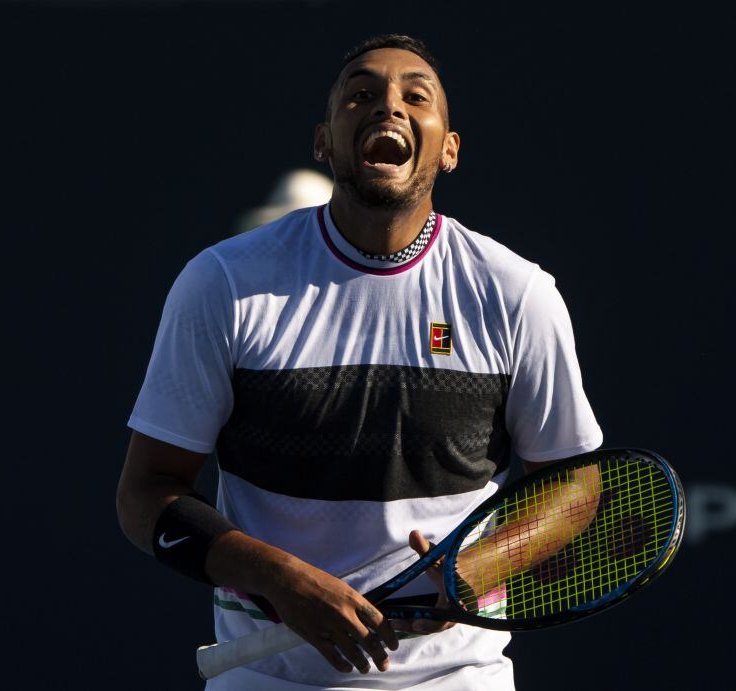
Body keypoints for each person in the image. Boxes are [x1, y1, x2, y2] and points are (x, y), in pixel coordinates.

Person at [116, 34, 603, 690]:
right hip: (267, 680)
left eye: (414, 97)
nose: (389, 109)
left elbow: (574, 492)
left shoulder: (517, 294)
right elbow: (145, 492)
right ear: (324, 142)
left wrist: (478, 570)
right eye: (362, 95)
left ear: (450, 147)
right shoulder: (222, 283)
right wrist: (278, 578)